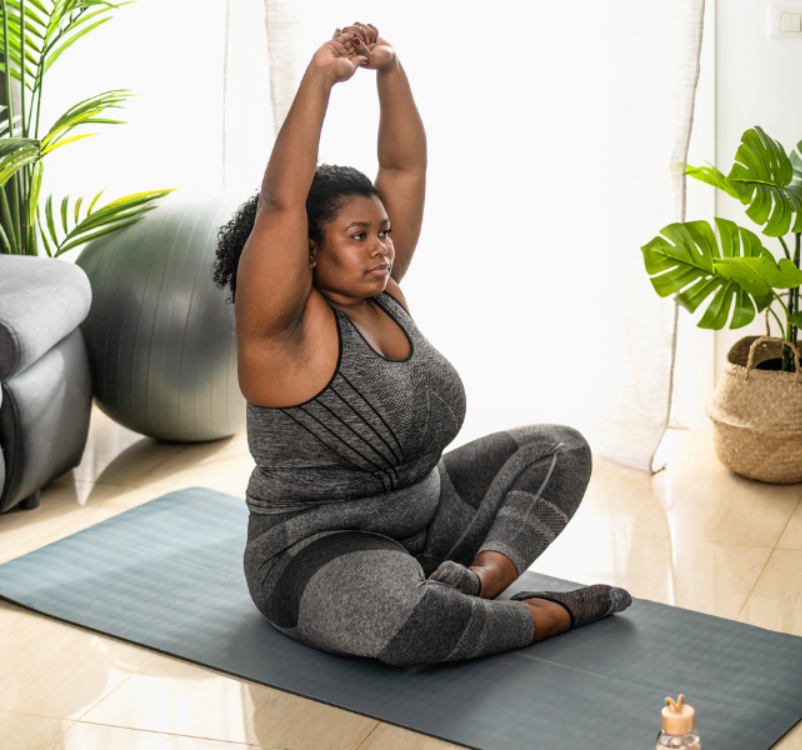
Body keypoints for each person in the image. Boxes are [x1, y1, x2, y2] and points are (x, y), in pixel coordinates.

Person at [212, 23, 632, 667]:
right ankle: (542, 614)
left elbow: (405, 165)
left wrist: (390, 70)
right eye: (360, 235)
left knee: (559, 448)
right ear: (307, 248)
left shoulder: (387, 292)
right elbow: (280, 200)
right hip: (319, 552)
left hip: (432, 525)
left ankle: (483, 584)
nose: (383, 246)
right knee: (404, 622)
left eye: (384, 231)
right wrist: (322, 75)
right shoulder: (281, 338)